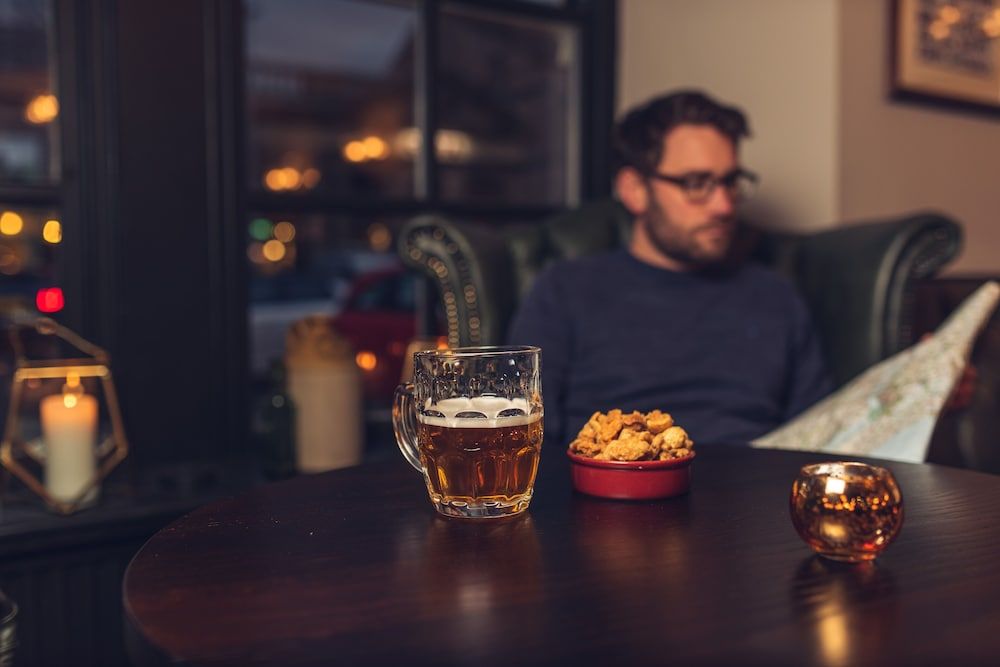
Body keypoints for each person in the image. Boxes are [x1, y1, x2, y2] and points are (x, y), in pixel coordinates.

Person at [507, 90, 833, 447]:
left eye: (730, 182)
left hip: (757, 490)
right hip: (615, 489)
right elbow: (523, 437)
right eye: (696, 184)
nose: (724, 206)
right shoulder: (566, 290)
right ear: (636, 190)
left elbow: (818, 436)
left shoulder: (776, 296)